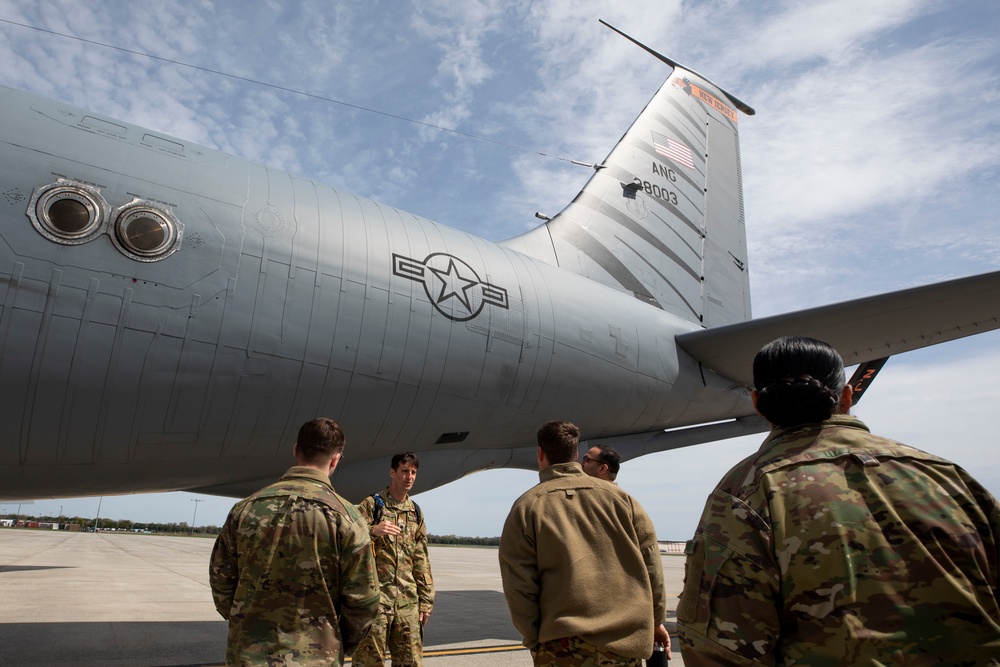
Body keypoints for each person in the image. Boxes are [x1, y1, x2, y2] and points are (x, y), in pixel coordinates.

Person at [677, 336, 1000, 665]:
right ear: (847, 396)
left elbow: (721, 649)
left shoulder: (746, 490)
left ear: (757, 403)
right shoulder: (947, 477)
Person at [209, 417, 379, 666]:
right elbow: (364, 600)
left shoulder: (245, 510)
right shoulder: (347, 518)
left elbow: (221, 582)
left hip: (248, 656)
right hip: (318, 658)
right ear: (336, 459)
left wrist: (245, 624)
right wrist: (336, 643)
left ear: (296, 450)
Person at [500, 420, 670, 666]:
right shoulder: (623, 500)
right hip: (624, 647)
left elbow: (518, 583)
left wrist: (534, 640)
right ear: (576, 454)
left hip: (562, 646)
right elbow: (651, 564)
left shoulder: (528, 506)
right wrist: (656, 621)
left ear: (540, 453)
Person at [354, 452, 435, 666]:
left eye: (413, 472)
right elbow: (347, 539)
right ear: (392, 473)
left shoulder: (415, 512)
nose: (409, 477)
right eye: (404, 471)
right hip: (376, 601)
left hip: (407, 603)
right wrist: (373, 530)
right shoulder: (373, 505)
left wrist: (426, 600)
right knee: (369, 662)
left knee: (410, 662)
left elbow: (421, 559)